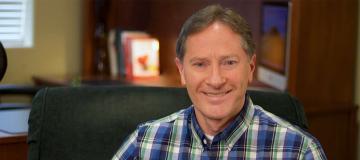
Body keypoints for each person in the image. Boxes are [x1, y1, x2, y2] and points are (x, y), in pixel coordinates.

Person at [112, 4, 326, 159]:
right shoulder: (144, 143)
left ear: (250, 68)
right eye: (200, 64)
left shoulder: (299, 151)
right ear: (182, 72)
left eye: (229, 62)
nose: (215, 80)